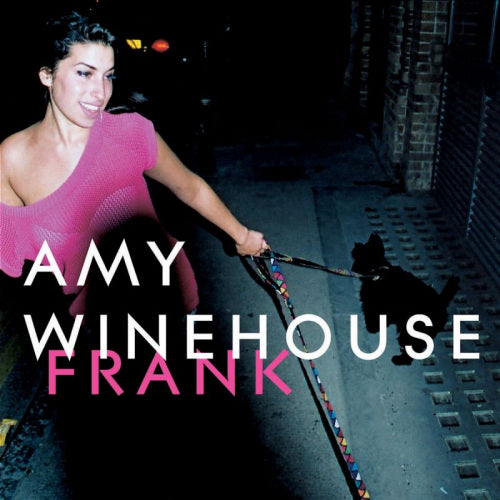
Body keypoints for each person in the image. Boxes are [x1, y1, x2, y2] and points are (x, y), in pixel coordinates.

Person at [0, 10, 268, 320]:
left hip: (169, 305)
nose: (100, 92)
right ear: (47, 75)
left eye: (108, 76)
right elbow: (13, 256)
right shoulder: (11, 158)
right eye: (85, 73)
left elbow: (190, 188)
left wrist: (242, 236)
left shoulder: (130, 133)